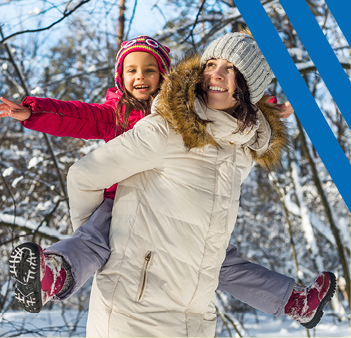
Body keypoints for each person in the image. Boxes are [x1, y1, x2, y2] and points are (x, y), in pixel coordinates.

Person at [4, 33, 332, 333]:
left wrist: (269, 112)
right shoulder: (136, 117)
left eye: (149, 70)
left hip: (192, 298)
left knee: (223, 261)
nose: (140, 78)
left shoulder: (236, 142)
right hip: (116, 211)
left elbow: (243, 108)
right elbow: (75, 118)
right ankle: (53, 273)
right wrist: (32, 112)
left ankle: (293, 301)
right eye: (131, 71)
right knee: (93, 239)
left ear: (165, 75)